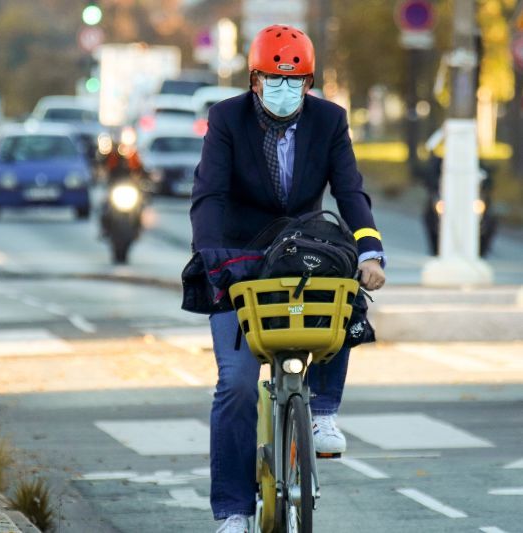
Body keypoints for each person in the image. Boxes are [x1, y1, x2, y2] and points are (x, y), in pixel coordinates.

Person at [190, 25, 386, 533]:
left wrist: (370, 249)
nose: (284, 90)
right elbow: (209, 194)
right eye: (272, 80)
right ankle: (233, 513)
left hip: (302, 251)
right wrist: (212, 257)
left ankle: (322, 410)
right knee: (235, 386)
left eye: (295, 80)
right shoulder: (226, 119)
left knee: (343, 282)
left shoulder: (330, 121)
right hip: (239, 263)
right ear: (254, 81)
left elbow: (350, 192)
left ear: (310, 82)